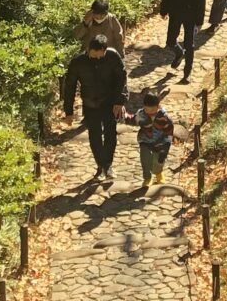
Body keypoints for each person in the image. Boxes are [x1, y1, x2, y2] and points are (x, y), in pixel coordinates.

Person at [60, 34, 127, 184]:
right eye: (93, 56)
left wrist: (119, 101)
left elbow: (121, 79)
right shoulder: (78, 62)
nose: (97, 59)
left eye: (100, 56)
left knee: (111, 134)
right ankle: (100, 166)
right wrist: (69, 112)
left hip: (110, 102)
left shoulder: (112, 56)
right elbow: (69, 87)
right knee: (94, 135)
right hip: (90, 103)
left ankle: (108, 165)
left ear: (105, 50)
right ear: (89, 50)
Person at [159, 0, 207, 82]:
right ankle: (179, 53)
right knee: (170, 41)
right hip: (175, 12)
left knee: (189, 44)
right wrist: (164, 10)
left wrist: (199, 20)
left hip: (190, 14)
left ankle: (187, 72)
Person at [134, 89, 177, 190]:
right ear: (144, 107)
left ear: (158, 107)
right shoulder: (140, 115)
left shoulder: (164, 117)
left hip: (160, 140)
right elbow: (132, 120)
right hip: (144, 140)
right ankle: (147, 178)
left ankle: (158, 173)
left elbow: (169, 130)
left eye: (153, 110)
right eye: (147, 110)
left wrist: (167, 143)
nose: (150, 113)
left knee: (159, 159)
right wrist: (123, 117)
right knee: (145, 158)